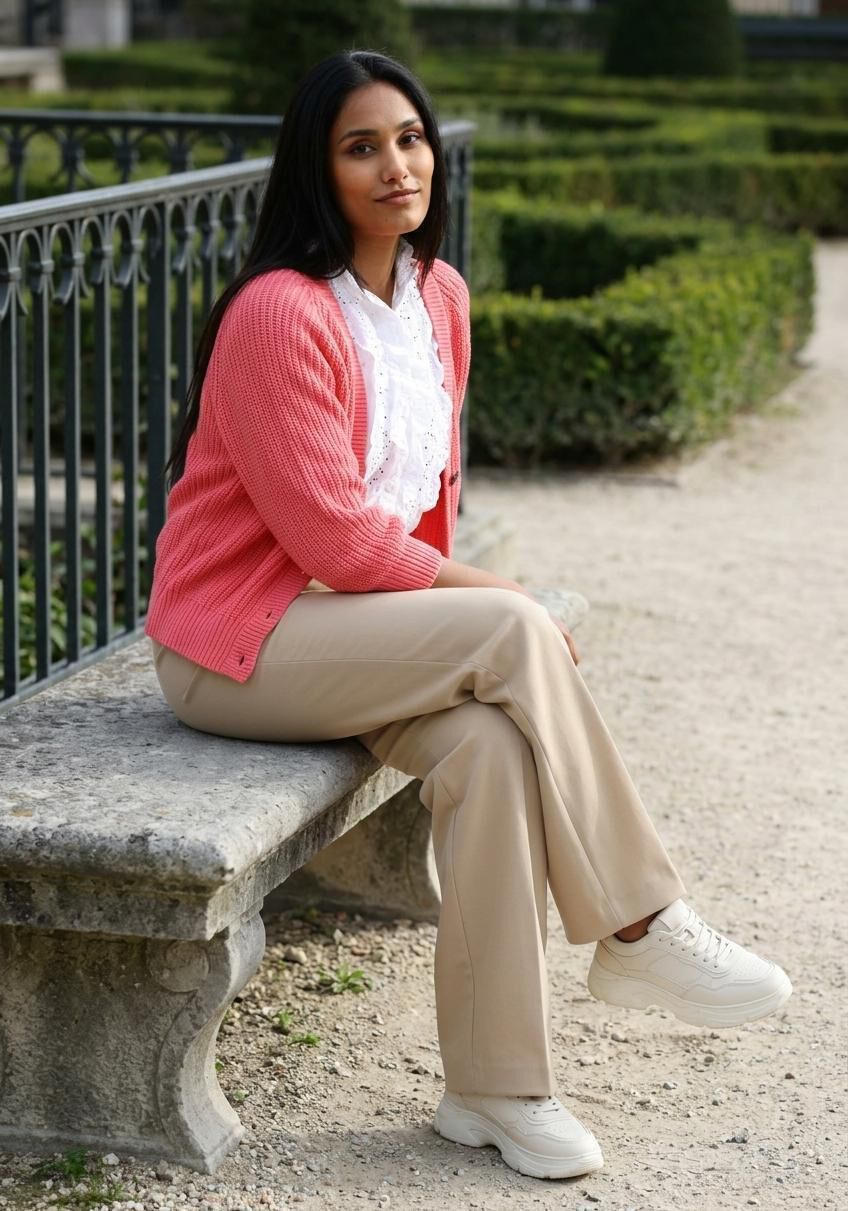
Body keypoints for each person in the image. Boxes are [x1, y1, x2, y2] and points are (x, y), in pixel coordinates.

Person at [145, 49, 792, 1182]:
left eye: (409, 137)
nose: (397, 165)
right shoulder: (277, 314)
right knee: (513, 629)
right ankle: (641, 924)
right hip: (240, 643)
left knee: (491, 749)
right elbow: (338, 543)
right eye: (360, 147)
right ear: (316, 171)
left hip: (367, 635)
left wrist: (480, 611)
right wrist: (505, 602)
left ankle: (494, 1087)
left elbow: (423, 507)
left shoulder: (438, 296)